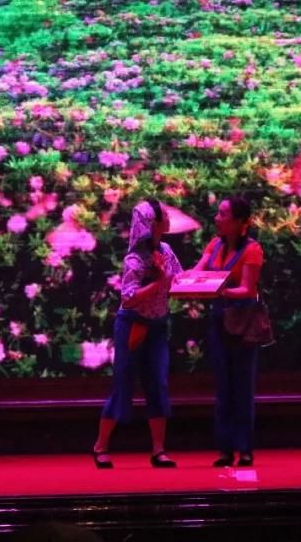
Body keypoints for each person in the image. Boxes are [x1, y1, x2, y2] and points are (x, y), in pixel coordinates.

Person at [93, 198, 183, 469]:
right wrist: (160, 283)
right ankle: (101, 445)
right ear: (153, 224)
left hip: (157, 326)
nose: (168, 218)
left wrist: (205, 283)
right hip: (133, 325)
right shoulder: (135, 259)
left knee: (158, 382)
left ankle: (159, 449)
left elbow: (179, 279)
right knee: (124, 383)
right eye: (164, 215)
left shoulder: (166, 250)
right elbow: (129, 298)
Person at [192, 195, 265, 467]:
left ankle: (244, 448)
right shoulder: (214, 245)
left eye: (223, 214)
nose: (217, 218)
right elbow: (197, 272)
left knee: (242, 386)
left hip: (243, 323)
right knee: (223, 386)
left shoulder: (252, 250)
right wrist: (180, 279)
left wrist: (219, 290)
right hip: (219, 320)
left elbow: (247, 288)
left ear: (239, 221)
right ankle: (224, 449)